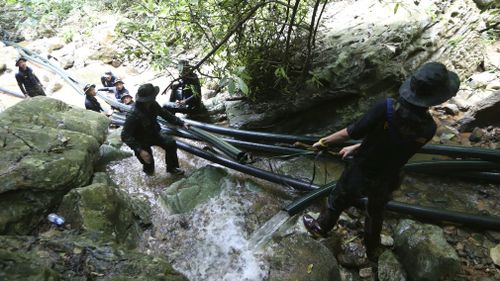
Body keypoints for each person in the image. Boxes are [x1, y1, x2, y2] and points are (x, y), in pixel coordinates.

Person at [302, 62, 460, 261]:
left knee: (338, 198)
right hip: (388, 175)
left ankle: (321, 227)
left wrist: (323, 141)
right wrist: (356, 146)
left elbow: (352, 131)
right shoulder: (428, 129)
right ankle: (371, 248)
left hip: (362, 168)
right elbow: (395, 145)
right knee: (376, 211)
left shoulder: (386, 108)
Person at [121, 83, 189, 176]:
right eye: (153, 96)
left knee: (170, 143)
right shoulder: (133, 114)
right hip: (140, 141)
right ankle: (149, 177)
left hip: (153, 133)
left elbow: (165, 114)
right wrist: (140, 150)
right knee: (149, 164)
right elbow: (125, 135)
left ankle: (171, 168)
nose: (155, 98)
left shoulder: (153, 104)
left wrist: (181, 122)